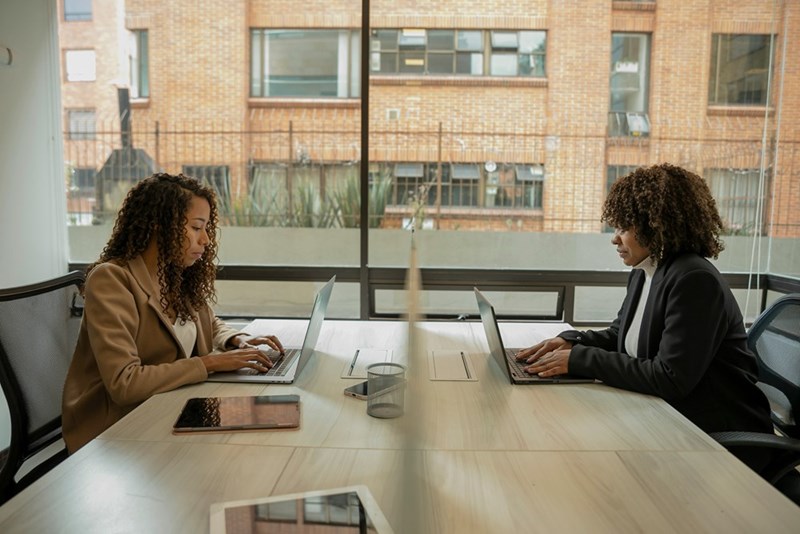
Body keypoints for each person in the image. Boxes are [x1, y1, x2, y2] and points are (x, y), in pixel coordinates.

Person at [516, 163, 774, 473]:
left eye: (623, 228)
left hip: (717, 438)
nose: (615, 239)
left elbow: (670, 377)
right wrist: (569, 341)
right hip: (666, 418)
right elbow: (619, 336)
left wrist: (580, 360)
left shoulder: (694, 279)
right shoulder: (646, 271)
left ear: (656, 225)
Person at [62, 173, 284, 453]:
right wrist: (211, 364)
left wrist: (237, 341)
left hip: (171, 407)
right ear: (160, 226)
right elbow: (124, 383)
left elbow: (208, 323)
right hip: (117, 429)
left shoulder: (174, 275)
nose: (205, 239)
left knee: (263, 432)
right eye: (195, 227)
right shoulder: (112, 280)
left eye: (206, 229)